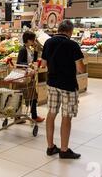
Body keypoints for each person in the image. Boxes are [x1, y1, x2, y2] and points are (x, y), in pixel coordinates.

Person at [41, 20, 85, 159]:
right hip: (68, 85)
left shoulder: (48, 42)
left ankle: (50, 147)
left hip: (52, 82)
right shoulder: (72, 45)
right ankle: (64, 150)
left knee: (51, 113)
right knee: (66, 116)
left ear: (59, 29)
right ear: (70, 31)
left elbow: (43, 64)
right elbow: (80, 68)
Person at [16, 30, 45, 123]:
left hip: (29, 76)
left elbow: (34, 61)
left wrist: (36, 50)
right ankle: (30, 116)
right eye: (33, 40)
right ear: (28, 40)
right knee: (28, 96)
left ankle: (32, 115)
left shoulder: (29, 49)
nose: (34, 42)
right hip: (24, 77)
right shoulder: (23, 50)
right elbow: (19, 63)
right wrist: (29, 65)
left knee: (32, 96)